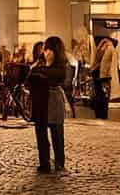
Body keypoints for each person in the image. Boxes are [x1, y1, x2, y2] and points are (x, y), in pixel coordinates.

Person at [26, 36, 68, 173]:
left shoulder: (62, 66)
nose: (47, 53)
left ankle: (59, 163)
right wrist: (38, 72)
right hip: (40, 102)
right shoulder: (39, 65)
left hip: (54, 102)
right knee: (41, 134)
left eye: (50, 50)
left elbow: (59, 77)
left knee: (57, 134)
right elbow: (30, 80)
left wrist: (40, 73)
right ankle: (44, 163)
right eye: (45, 50)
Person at [89, 37, 116, 119]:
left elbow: (95, 64)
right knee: (104, 97)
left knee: (99, 96)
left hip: (98, 76)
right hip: (104, 77)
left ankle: (99, 114)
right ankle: (103, 114)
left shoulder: (99, 50)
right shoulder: (110, 49)